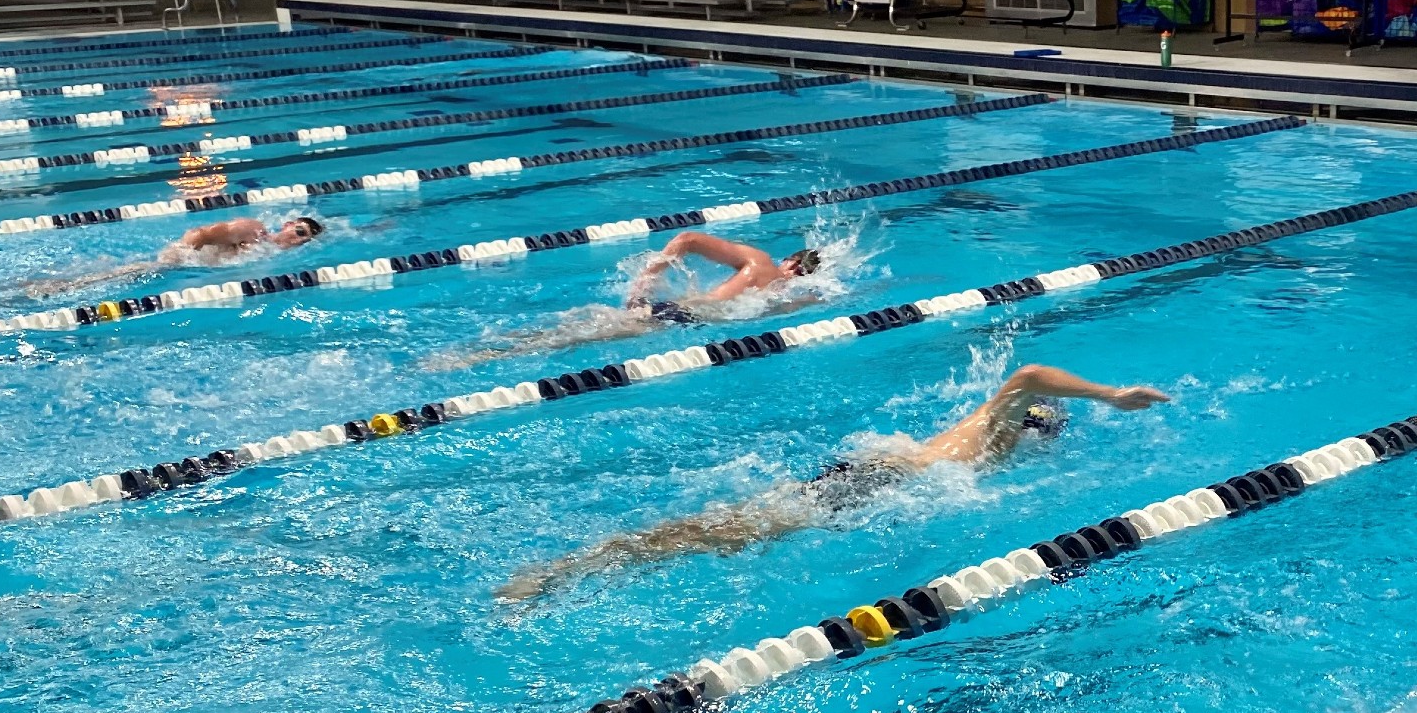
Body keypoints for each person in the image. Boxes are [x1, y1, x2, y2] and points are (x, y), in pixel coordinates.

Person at [496, 363, 1171, 601]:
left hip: (873, 477)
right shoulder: (999, 430)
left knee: (729, 529)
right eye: (1047, 427)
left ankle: (578, 564)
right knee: (724, 534)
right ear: (1036, 424)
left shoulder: (982, 443)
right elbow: (1028, 375)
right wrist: (1111, 396)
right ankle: (564, 569)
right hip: (875, 481)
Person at [429, 231, 825, 370]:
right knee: (571, 337)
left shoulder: (761, 263)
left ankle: (474, 354)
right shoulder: (785, 291)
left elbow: (687, 239)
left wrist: (645, 282)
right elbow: (688, 239)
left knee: (569, 331)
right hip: (683, 318)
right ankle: (473, 357)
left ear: (790, 260)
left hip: (677, 311)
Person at [23, 215, 324, 298]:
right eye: (299, 231)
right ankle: (51, 288)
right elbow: (202, 233)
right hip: (179, 264)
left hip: (190, 276)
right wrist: (179, 254)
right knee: (117, 276)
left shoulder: (271, 256)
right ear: (287, 224)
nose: (298, 239)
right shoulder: (254, 230)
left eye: (304, 239)